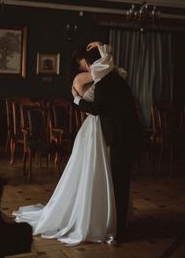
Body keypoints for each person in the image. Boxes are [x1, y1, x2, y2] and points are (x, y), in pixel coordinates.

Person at [12, 49, 117, 246]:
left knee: (101, 170)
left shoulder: (101, 76)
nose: (84, 64)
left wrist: (103, 49)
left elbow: (108, 74)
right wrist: (103, 48)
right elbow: (106, 72)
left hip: (101, 127)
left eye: (85, 61)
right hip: (92, 128)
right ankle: (85, 215)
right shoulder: (82, 78)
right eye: (82, 61)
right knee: (89, 171)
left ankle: (100, 212)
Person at [72, 41, 142, 239]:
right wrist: (102, 47)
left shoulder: (105, 81)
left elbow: (97, 109)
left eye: (85, 63)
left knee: (118, 181)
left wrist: (77, 100)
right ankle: (116, 221)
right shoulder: (115, 77)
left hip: (121, 136)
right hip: (122, 133)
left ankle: (117, 228)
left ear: (89, 63)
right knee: (117, 180)